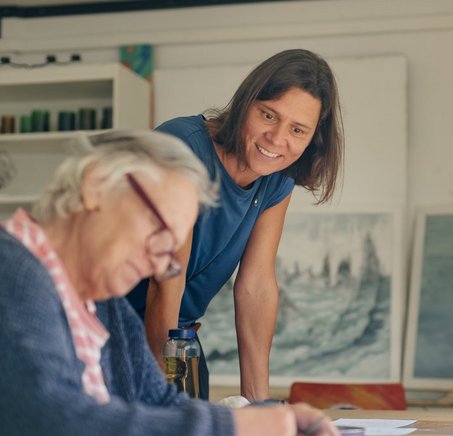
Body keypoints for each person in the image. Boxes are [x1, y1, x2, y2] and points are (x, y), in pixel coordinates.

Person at [0, 130, 339, 436]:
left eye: (171, 252)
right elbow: (56, 432)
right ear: (95, 185)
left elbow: (159, 403)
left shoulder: (104, 305)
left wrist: (266, 422)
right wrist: (237, 434)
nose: (159, 263)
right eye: (160, 232)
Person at [126, 48, 344, 402]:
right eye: (269, 115)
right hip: (109, 334)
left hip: (179, 341)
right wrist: (160, 395)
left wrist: (256, 404)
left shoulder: (277, 179)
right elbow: (166, 280)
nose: (277, 139)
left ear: (312, 138)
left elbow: (256, 285)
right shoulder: (182, 147)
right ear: (246, 103)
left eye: (297, 129)